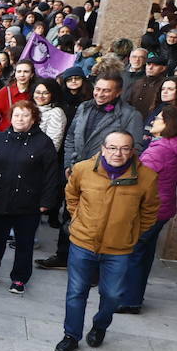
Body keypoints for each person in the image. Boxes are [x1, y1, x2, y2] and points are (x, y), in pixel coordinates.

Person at [55, 130, 159, 351]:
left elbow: (150, 211)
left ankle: (100, 325)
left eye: (124, 148)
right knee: (76, 292)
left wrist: (132, 233)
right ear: (103, 148)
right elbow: (71, 195)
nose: (118, 153)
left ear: (132, 151)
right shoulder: (82, 169)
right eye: (112, 147)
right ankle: (71, 335)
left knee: (112, 295)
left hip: (119, 250)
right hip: (83, 243)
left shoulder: (147, 177)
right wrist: (78, 219)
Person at [40, 73, 143, 270]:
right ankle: (63, 256)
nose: (100, 94)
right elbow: (71, 137)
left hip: (106, 179)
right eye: (98, 89)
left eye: (106, 90)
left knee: (97, 223)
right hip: (77, 172)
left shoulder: (130, 115)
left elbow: (134, 149)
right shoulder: (84, 107)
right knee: (70, 215)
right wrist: (70, 165)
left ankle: (92, 268)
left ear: (118, 92)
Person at [0, 100, 63, 294]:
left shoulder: (43, 143)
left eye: (25, 115)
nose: (20, 119)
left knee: (24, 242)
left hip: (28, 204)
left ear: (34, 119)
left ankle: (20, 278)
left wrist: (46, 202)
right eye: (16, 115)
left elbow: (51, 175)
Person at [120, 106, 177, 313]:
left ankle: (129, 300)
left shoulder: (159, 149)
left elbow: (138, 182)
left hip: (150, 209)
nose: (153, 121)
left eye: (159, 119)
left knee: (134, 253)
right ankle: (134, 297)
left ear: (169, 125)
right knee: (144, 254)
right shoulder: (174, 146)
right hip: (163, 208)